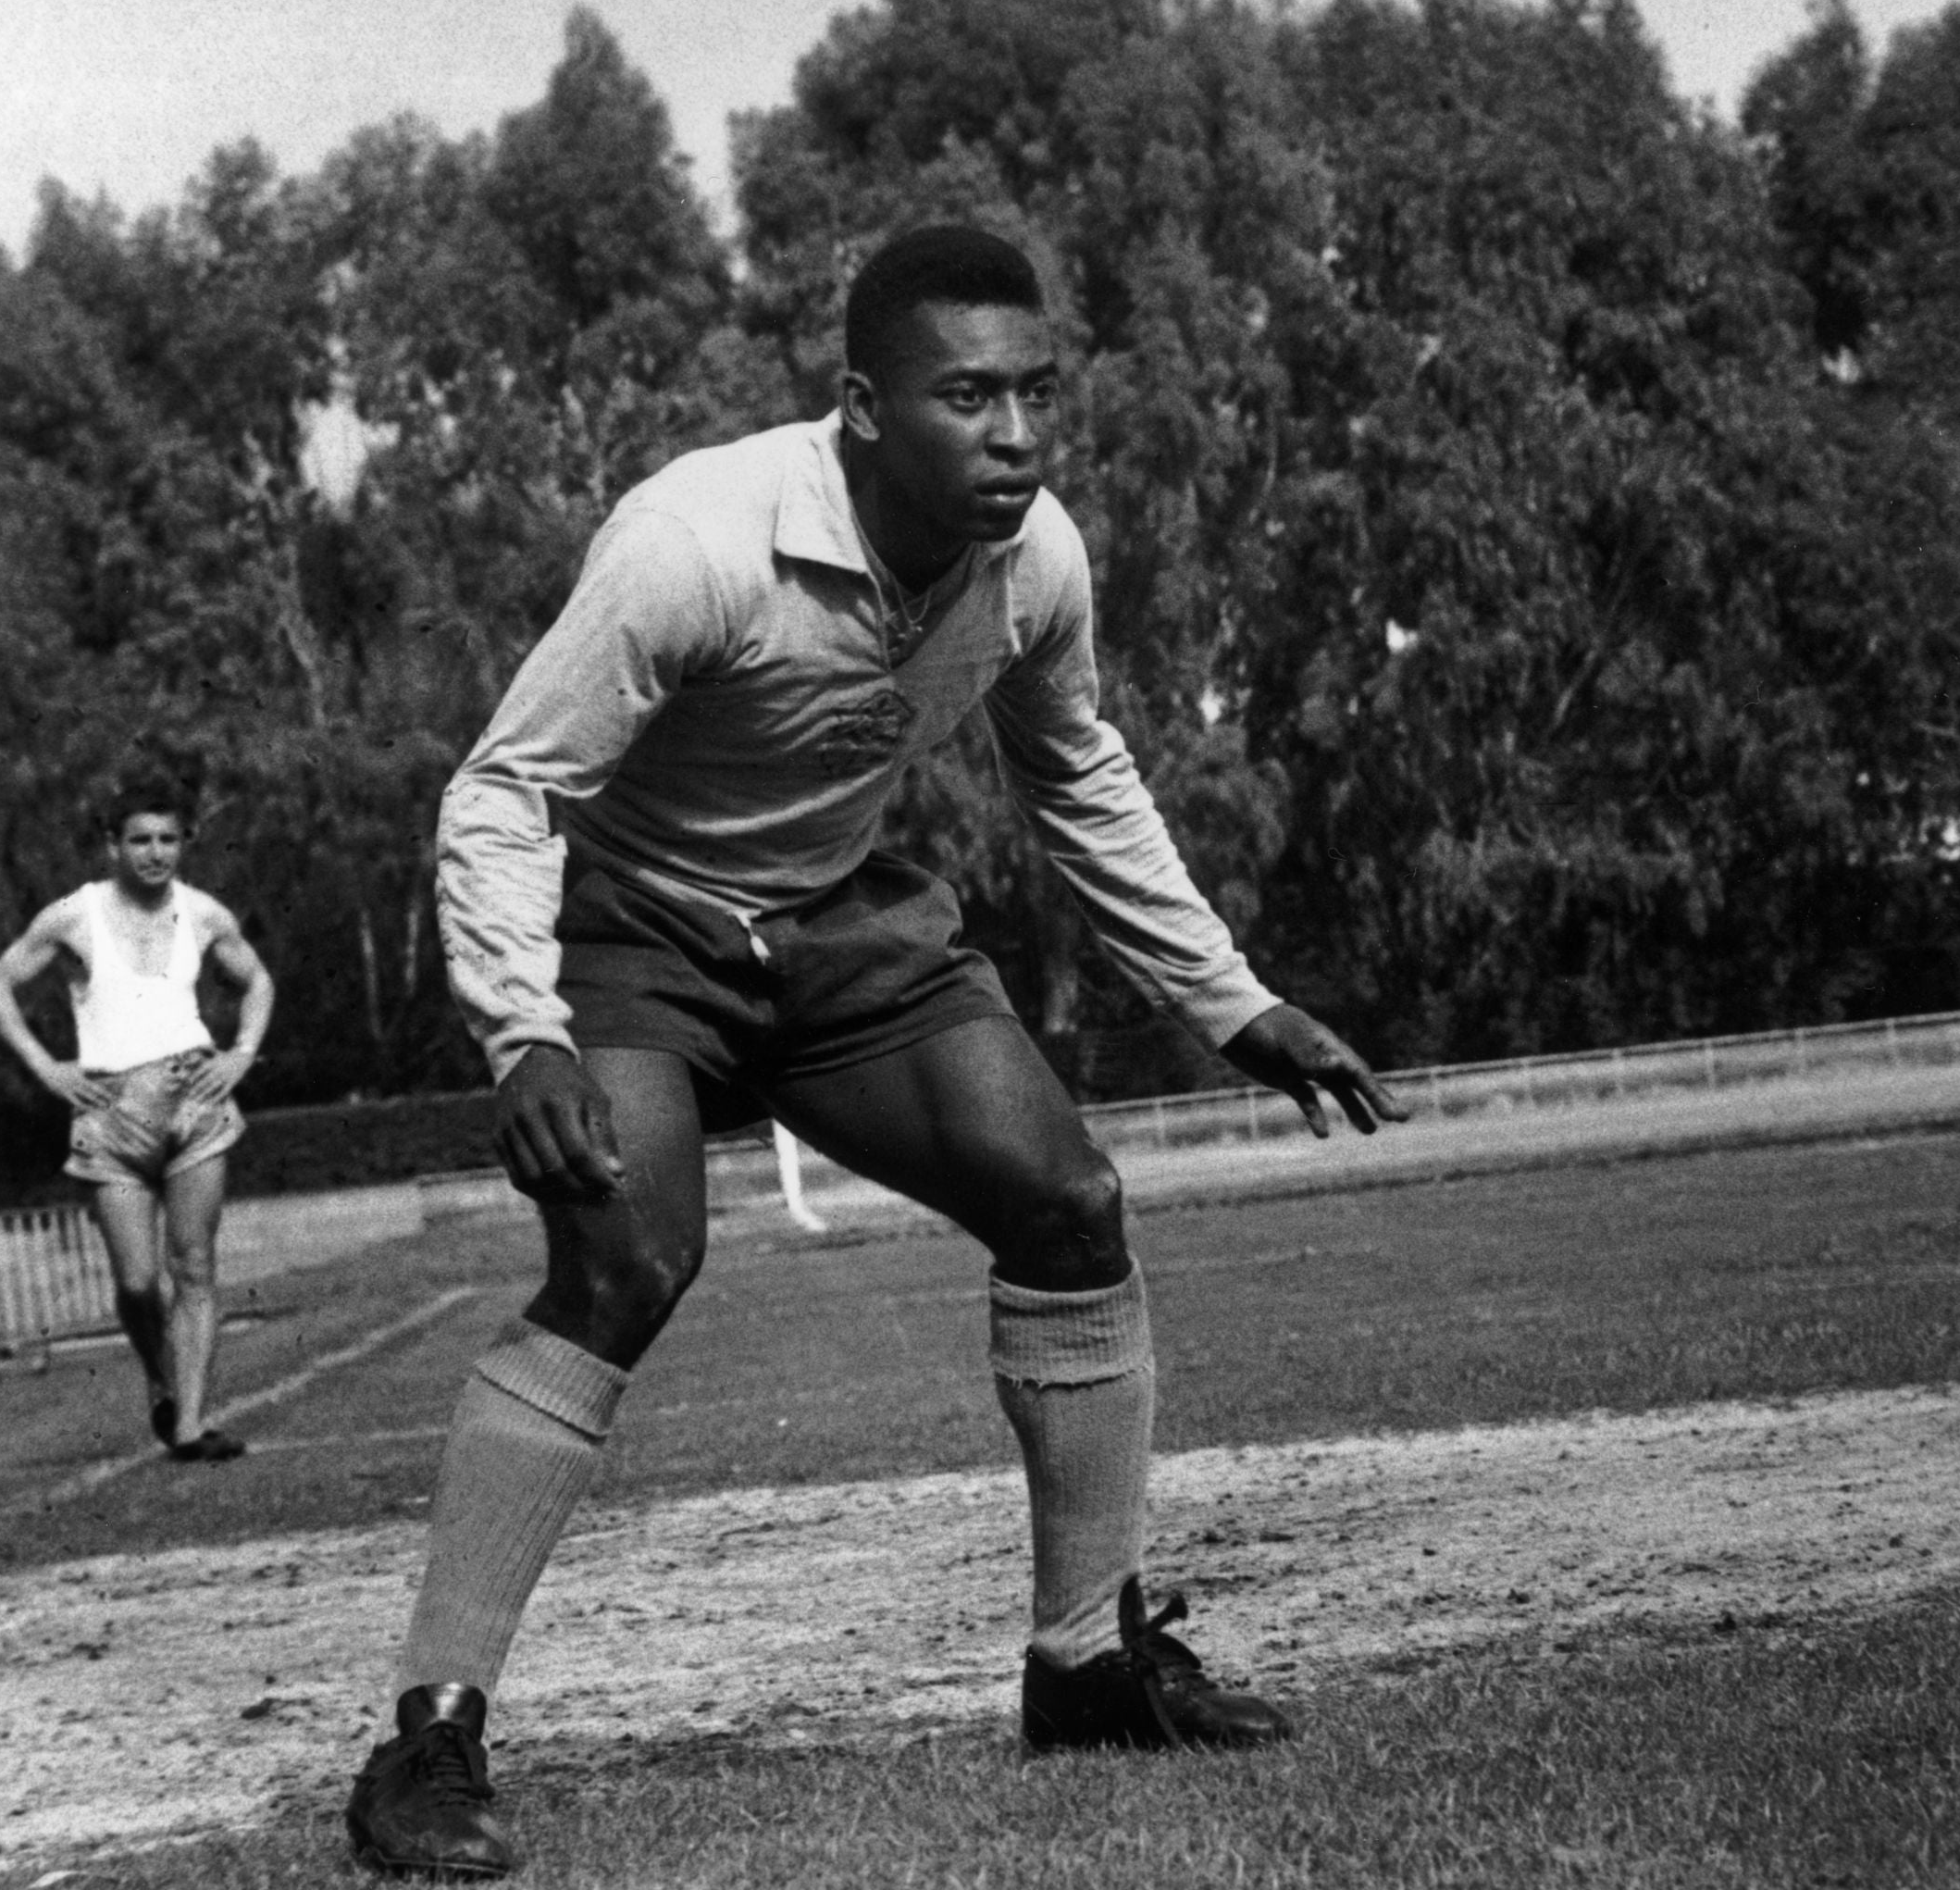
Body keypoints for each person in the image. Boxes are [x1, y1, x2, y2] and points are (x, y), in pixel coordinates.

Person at [345, 226, 1401, 1877]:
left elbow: (1080, 775)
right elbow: (505, 790)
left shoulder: (1034, 558)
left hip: (843, 928)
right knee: (629, 1260)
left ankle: (1083, 1668)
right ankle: (427, 1741)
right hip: (636, 939)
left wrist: (1226, 998)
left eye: (1034, 394)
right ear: (859, 407)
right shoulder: (692, 542)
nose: (1016, 435)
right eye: (967, 396)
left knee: (1067, 1200)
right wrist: (521, 1032)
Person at [0, 777, 274, 1464]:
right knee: (138, 1281)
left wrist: (241, 1055)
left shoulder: (203, 914)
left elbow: (256, 981)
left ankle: (193, 1424)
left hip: (195, 1102)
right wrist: (47, 1068)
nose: (155, 853)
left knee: (193, 1267)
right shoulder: (75, 916)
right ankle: (162, 1382)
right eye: (140, 839)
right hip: (112, 1115)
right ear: (114, 845)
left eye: (169, 839)